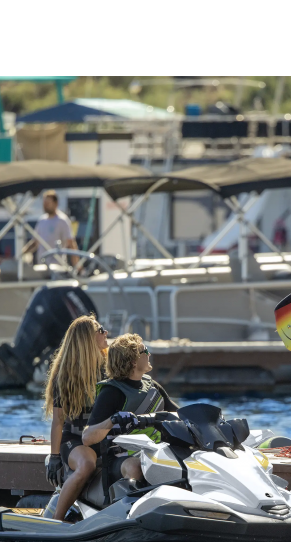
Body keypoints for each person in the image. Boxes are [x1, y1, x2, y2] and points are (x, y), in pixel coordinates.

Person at [81, 334, 179, 492]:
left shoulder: (153, 387)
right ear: (134, 360)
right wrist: (112, 420)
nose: (149, 354)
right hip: (120, 458)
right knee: (136, 467)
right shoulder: (111, 392)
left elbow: (179, 414)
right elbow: (87, 438)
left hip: (155, 451)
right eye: (145, 351)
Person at [44, 314, 108, 520]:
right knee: (87, 465)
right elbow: (58, 421)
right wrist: (54, 457)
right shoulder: (65, 375)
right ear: (87, 339)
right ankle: (56, 521)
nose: (106, 333)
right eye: (100, 330)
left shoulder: (109, 369)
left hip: (105, 440)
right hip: (75, 441)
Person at [26, 190, 78, 267]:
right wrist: (22, 253)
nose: (45, 205)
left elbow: (71, 244)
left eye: (48, 203)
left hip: (58, 267)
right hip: (42, 266)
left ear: (55, 203)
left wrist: (77, 266)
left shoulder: (62, 220)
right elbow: (35, 242)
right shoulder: (42, 220)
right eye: (44, 203)